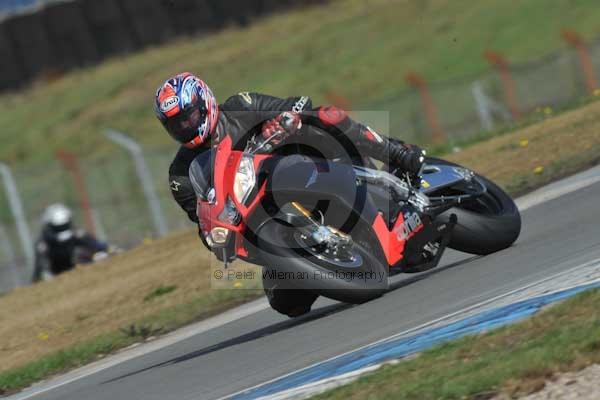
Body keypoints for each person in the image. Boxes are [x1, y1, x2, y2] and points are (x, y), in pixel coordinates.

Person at [155, 72, 426, 316]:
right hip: (259, 221)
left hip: (302, 167)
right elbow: (203, 220)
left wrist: (284, 120)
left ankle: (397, 152)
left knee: (326, 116)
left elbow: (299, 105)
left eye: (188, 117)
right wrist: (213, 235)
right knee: (287, 304)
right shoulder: (181, 175)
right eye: (175, 125)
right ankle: (327, 259)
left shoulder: (241, 106)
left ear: (205, 104)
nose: (184, 128)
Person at [32, 204, 109, 282]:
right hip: (55, 273)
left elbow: (94, 243)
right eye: (58, 227)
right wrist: (39, 277)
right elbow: (38, 266)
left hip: (80, 269)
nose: (62, 228)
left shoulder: (76, 233)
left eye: (64, 225)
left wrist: (104, 249)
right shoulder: (43, 243)